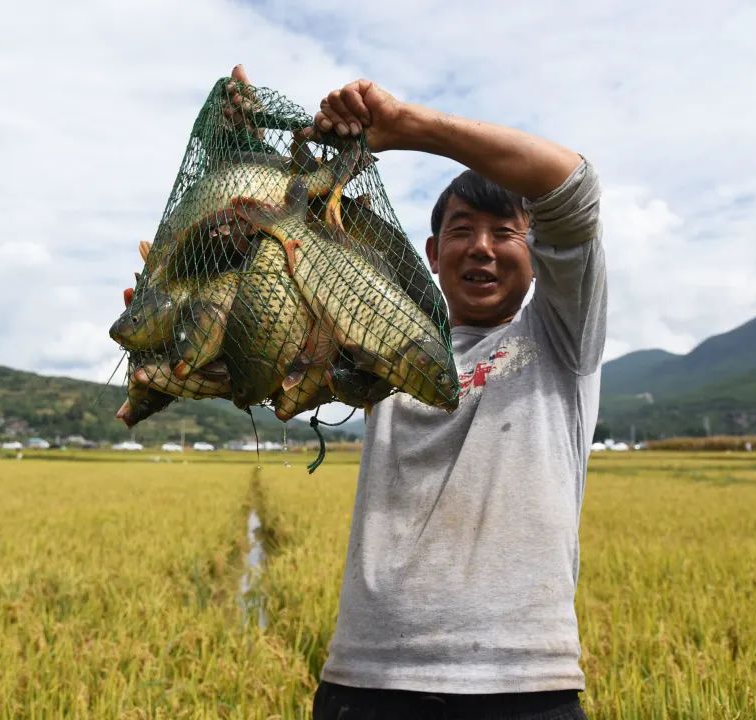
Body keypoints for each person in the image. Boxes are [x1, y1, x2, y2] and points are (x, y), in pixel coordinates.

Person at [227, 65, 604, 719]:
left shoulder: (559, 336)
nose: (481, 248)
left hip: (520, 686)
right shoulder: (380, 337)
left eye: (504, 232)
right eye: (462, 231)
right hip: (367, 680)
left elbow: (573, 184)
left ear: (537, 252)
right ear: (432, 253)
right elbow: (264, 352)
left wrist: (407, 127)